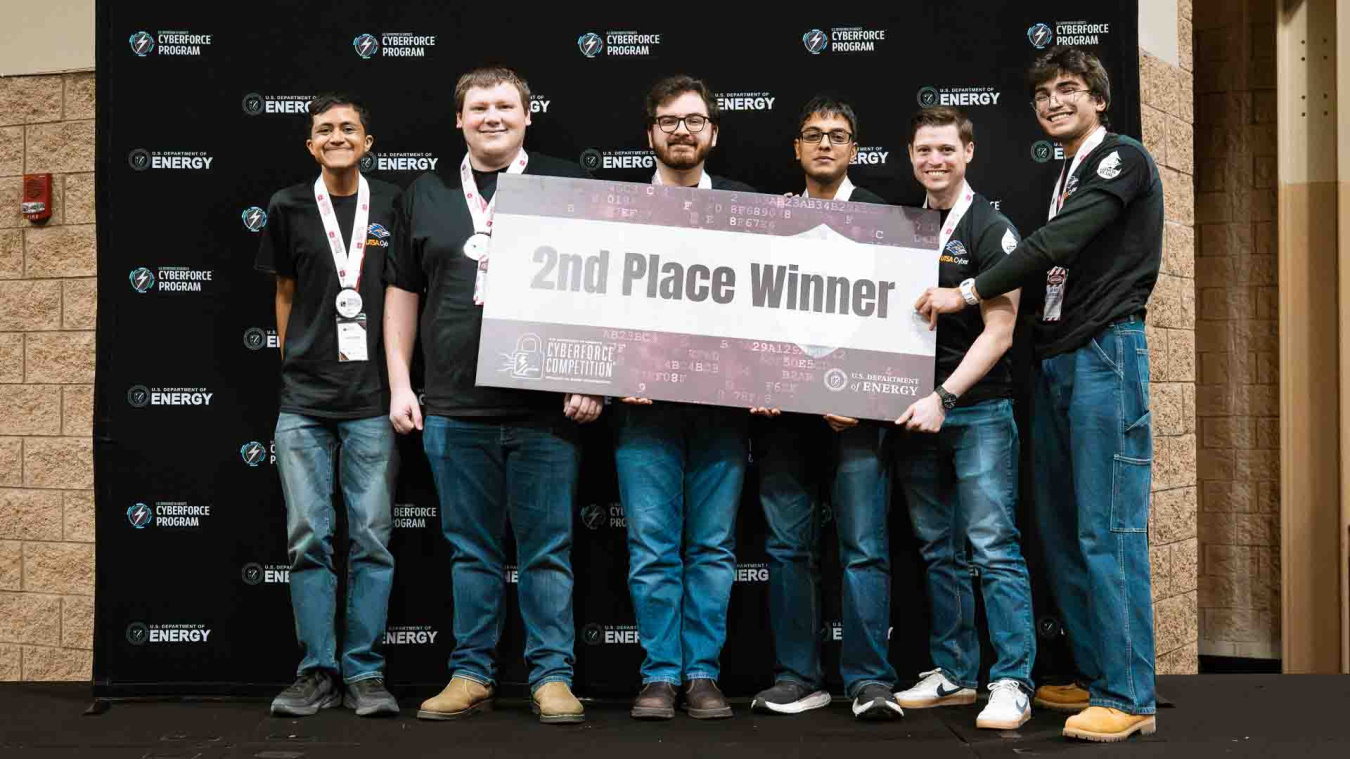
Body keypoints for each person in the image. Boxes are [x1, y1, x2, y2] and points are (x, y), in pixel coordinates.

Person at [915, 47, 1163, 743]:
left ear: (1099, 99)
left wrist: (968, 287)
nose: (1054, 102)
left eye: (1069, 90)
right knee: (1059, 529)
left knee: (1107, 529)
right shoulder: (1066, 173)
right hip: (1059, 359)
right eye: (1044, 95)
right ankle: (1095, 673)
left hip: (1106, 354)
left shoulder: (1121, 158)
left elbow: (1062, 241)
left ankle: (1130, 691)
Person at [383, 66, 603, 725]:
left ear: (528, 114)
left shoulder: (567, 184)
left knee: (546, 552)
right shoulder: (424, 194)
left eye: (505, 105)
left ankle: (553, 676)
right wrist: (400, 381)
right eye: (479, 106)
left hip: (544, 412)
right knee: (470, 551)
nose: (492, 115)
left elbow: (600, 286)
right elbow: (402, 292)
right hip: (453, 407)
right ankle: (472, 671)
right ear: (459, 119)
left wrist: (591, 373)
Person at [748, 95, 902, 721]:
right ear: (797, 149)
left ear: (854, 149)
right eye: (813, 135)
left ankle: (869, 680)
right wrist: (754, 381)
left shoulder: (883, 220)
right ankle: (797, 678)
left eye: (837, 135)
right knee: (788, 549)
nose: (825, 145)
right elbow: (748, 307)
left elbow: (896, 320)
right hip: (783, 418)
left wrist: (859, 395)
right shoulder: (771, 219)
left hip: (855, 418)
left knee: (864, 547)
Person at [891, 106, 1037, 731]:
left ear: (968, 152)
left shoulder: (991, 227)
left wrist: (944, 397)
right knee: (937, 549)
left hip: (974, 411)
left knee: (992, 547)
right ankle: (953, 670)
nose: (935, 161)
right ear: (911, 155)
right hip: (914, 415)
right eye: (924, 150)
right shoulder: (903, 225)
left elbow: (1000, 333)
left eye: (946, 150)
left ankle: (1012, 681)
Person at [256, 93, 400, 718]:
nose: (337, 136)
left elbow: (406, 293)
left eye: (349, 128)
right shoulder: (288, 206)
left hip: (372, 400)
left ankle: (364, 672)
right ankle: (317, 670)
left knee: (371, 537)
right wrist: (294, 362)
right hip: (305, 402)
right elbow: (284, 291)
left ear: (367, 142)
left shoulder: (394, 203)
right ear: (311, 145)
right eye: (325, 130)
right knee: (309, 537)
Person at [618, 74, 753, 721]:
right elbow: (590, 308)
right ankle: (658, 675)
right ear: (650, 134)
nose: (681, 130)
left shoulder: (749, 208)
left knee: (712, 549)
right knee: (651, 546)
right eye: (668, 120)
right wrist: (609, 370)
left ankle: (701, 674)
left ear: (713, 133)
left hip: (723, 412)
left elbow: (771, 312)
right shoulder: (614, 211)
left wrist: (769, 378)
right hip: (643, 411)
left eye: (693, 120)